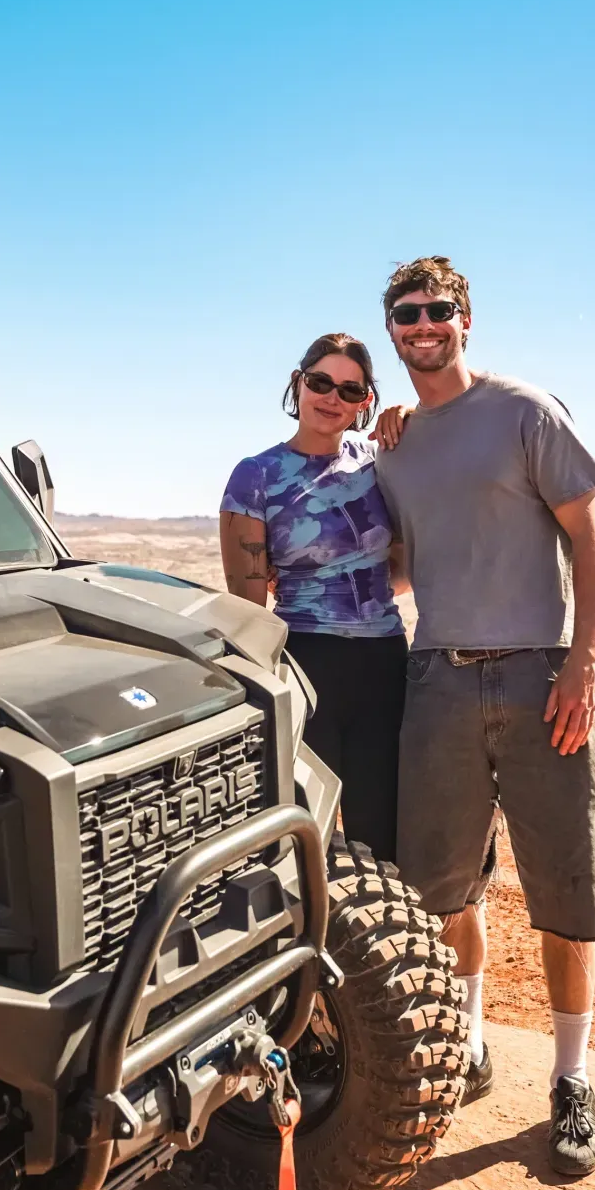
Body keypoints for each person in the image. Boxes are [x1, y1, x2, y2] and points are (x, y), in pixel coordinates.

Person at [371, 256, 595, 1177]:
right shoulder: (395, 442)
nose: (423, 324)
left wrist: (581, 664)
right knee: (442, 890)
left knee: (563, 887)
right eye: (407, 314)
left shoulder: (523, 410)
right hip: (436, 678)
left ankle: (571, 1079)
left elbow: (591, 538)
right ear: (393, 329)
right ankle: (469, 1042)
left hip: (538, 676)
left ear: (465, 318)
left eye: (438, 310)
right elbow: (403, 565)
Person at [219, 333, 408, 863]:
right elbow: (249, 603)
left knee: (384, 829)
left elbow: (406, 562)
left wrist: (408, 412)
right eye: (321, 382)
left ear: (365, 401)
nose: (332, 398)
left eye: (351, 391)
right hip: (306, 663)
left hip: (385, 662)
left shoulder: (381, 462)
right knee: (311, 832)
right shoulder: (255, 476)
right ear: (298, 384)